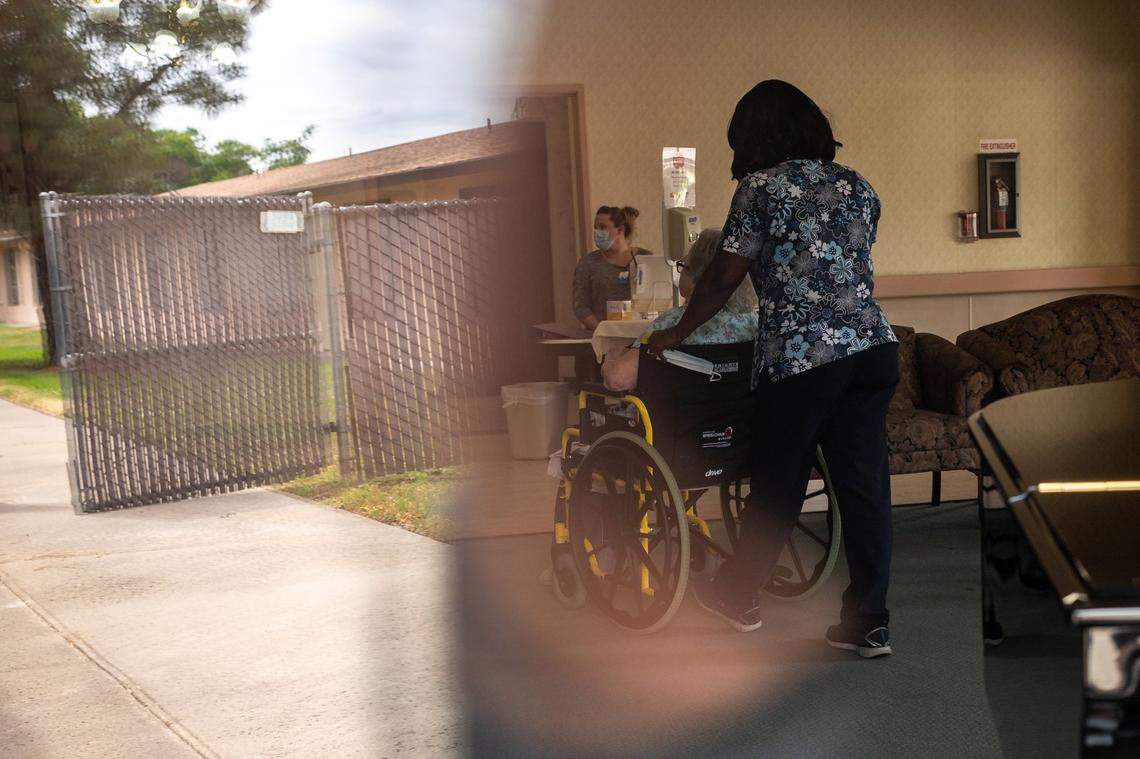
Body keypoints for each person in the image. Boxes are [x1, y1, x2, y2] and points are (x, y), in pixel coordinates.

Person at [648, 80, 899, 657]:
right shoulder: (857, 184)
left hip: (805, 358)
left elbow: (722, 276)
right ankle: (870, 622)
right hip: (872, 348)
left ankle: (737, 595)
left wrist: (675, 333)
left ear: (755, 135)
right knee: (863, 488)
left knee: (779, 483)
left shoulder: (761, 189)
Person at [601, 228, 757, 391]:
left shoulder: (672, 324)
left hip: (676, 414)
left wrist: (612, 356)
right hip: (738, 414)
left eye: (684, 266)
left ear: (699, 276)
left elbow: (617, 379)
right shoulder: (753, 323)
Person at [572, 205, 647, 331]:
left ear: (620, 230)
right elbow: (580, 306)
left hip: (640, 335)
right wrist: (603, 331)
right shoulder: (588, 263)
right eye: (595, 228)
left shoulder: (645, 258)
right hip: (602, 337)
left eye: (602, 227)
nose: (597, 232)